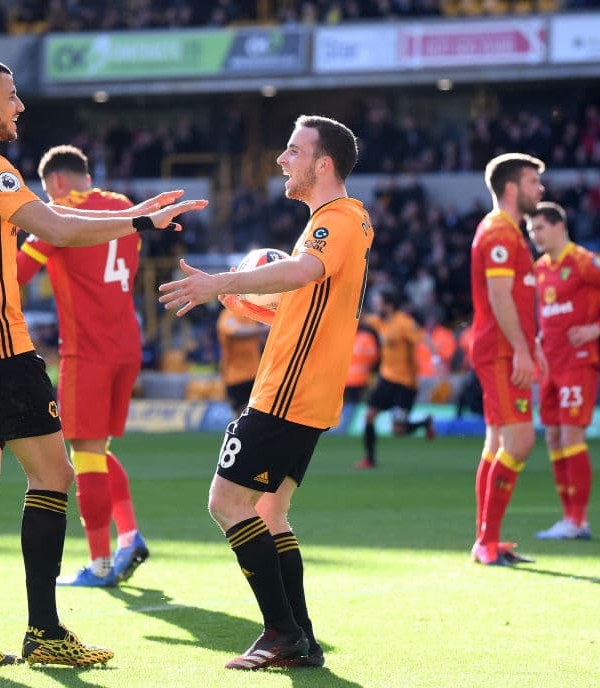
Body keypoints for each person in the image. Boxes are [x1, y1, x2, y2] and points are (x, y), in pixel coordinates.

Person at [0, 58, 205, 669]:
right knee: (55, 475)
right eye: (10, 95)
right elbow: (56, 227)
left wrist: (132, 218)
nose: (19, 105)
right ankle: (45, 631)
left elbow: (55, 222)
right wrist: (136, 221)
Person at [159, 115, 372, 669]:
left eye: (293, 150)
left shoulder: (337, 220)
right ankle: (301, 639)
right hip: (307, 396)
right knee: (271, 513)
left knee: (226, 503)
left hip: (286, 395)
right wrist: (250, 301)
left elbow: (304, 270)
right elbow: (305, 293)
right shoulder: (340, 222)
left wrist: (220, 284)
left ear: (322, 164)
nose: (282, 159)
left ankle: (280, 633)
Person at [14, 144, 149, 588]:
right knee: (99, 449)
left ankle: (102, 564)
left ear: (53, 183)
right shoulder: (123, 207)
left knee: (86, 455)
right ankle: (129, 535)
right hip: (127, 344)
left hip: (87, 351)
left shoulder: (59, 218)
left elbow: (17, 275)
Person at [527, 202, 600, 540]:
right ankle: (567, 518)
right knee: (553, 436)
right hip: (549, 362)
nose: (534, 236)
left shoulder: (584, 262)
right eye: (531, 231)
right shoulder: (541, 267)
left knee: (572, 436)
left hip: (578, 361)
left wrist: (598, 328)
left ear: (559, 226)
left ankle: (579, 520)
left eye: (539, 229)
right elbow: (545, 312)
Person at [469, 152, 544, 566]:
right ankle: (486, 542)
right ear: (512, 187)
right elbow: (499, 298)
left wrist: (530, 348)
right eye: (534, 182)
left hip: (505, 348)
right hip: (499, 350)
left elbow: (514, 297)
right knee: (520, 440)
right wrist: (520, 349)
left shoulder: (511, 233)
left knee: (498, 441)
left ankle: (488, 541)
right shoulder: (498, 232)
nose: (540, 190)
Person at [354, 290, 434, 470]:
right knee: (369, 416)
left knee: (398, 430)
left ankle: (424, 423)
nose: (375, 306)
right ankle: (370, 459)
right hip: (386, 379)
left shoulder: (404, 323)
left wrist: (435, 359)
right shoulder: (379, 321)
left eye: (378, 303)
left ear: (389, 305)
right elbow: (360, 317)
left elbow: (424, 337)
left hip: (406, 383)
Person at [217, 303, 269, 417]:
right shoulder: (227, 315)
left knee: (256, 418)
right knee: (242, 418)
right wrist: (263, 329)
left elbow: (261, 341)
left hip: (256, 376)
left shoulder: (250, 316)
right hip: (236, 378)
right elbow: (237, 332)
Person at [343, 323, 378, 405]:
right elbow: (375, 358)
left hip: (345, 378)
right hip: (363, 379)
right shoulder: (370, 339)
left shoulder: (351, 337)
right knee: (355, 404)